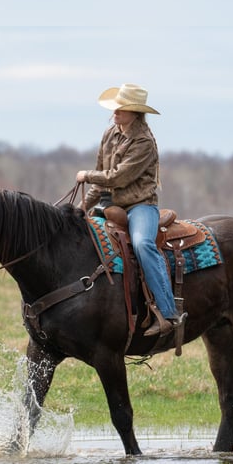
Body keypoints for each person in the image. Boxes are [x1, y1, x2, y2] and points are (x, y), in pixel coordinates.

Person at [76, 83, 186, 337]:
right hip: (109, 203)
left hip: (140, 206)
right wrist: (82, 206)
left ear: (135, 112)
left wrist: (86, 175)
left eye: (121, 108)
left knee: (142, 244)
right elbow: (101, 180)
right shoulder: (109, 134)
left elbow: (118, 177)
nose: (115, 111)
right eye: (115, 106)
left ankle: (168, 313)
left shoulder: (144, 142)